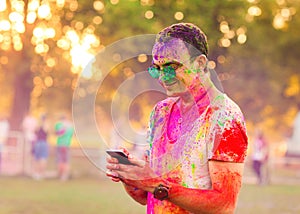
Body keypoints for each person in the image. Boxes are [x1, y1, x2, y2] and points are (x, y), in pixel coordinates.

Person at [106, 23, 248, 213]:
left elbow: (224, 205)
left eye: (172, 67)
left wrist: (157, 185)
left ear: (200, 63)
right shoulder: (160, 113)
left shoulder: (224, 118)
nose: (163, 77)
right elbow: (147, 197)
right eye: (157, 68)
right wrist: (130, 176)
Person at [55, 114, 74, 181]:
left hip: (60, 144)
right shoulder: (70, 126)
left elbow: (57, 133)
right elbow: (71, 135)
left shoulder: (58, 125)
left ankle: (60, 175)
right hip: (67, 145)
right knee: (66, 161)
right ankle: (65, 176)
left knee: (60, 160)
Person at [32, 114, 49, 180]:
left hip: (39, 142)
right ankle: (40, 173)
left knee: (38, 159)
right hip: (42, 143)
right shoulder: (44, 125)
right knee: (41, 159)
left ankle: (38, 173)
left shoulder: (39, 125)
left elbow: (35, 131)